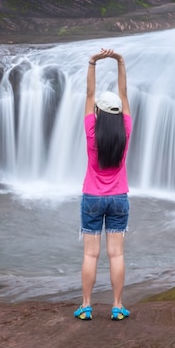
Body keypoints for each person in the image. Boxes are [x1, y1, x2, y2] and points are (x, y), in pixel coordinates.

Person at [74, 48, 132, 321]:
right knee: (116, 254)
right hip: (119, 197)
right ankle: (117, 306)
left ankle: (86, 306)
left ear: (97, 111)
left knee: (91, 254)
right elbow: (125, 95)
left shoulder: (90, 131)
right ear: (120, 114)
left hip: (92, 197)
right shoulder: (126, 130)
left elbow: (88, 94)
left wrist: (93, 62)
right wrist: (120, 61)